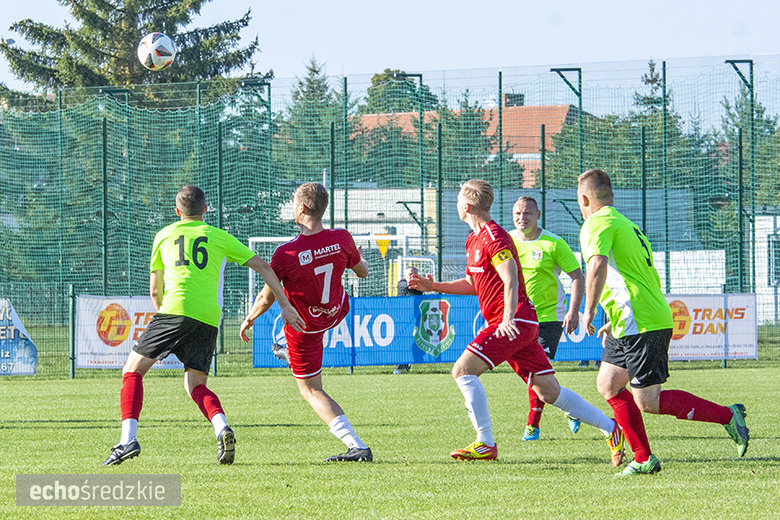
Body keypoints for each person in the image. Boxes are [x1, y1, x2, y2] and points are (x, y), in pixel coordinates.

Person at [409, 179, 625, 466]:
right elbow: (474, 283)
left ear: (467, 205)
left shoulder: (493, 236)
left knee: (462, 370)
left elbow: (510, 276)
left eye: (459, 198)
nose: (457, 203)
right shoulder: (474, 239)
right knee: (549, 391)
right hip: (517, 322)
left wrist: (508, 317)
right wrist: (433, 285)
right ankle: (612, 429)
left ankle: (485, 442)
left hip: (514, 320)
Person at [102, 185, 304, 466]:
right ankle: (222, 428)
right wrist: (284, 304)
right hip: (209, 318)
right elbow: (265, 268)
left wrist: (165, 318)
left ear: (177, 212)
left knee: (131, 371)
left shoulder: (164, 235)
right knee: (195, 384)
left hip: (173, 310)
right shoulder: (219, 237)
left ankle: (127, 441)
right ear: (206, 210)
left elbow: (153, 290)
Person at [577, 168, 750, 476]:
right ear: (612, 195)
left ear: (584, 199)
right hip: (631, 319)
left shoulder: (595, 223)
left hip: (640, 321)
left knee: (648, 401)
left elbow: (598, 266)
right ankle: (643, 458)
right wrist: (611, 315)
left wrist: (588, 310)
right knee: (608, 384)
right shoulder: (626, 223)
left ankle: (729, 416)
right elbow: (634, 277)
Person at [240, 182, 373, 462]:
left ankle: (356, 445)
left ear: (301, 208)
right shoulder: (343, 238)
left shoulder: (285, 254)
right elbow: (362, 273)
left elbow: (266, 299)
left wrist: (249, 318)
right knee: (296, 315)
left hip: (306, 328)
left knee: (311, 389)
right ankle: (289, 352)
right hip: (336, 311)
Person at [509, 196, 584, 441]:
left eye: (528, 213)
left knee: (536, 374)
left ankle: (533, 427)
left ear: (538, 215)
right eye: (518, 213)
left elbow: (577, 276)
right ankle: (569, 406)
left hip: (548, 318)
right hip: (518, 318)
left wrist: (573, 311)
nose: (522, 218)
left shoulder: (553, 243)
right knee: (534, 374)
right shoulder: (507, 242)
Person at [394, 265, 422, 374]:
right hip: (403, 319)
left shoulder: (419, 286)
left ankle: (407, 366)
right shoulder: (402, 283)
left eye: (415, 274)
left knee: (416, 342)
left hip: (416, 318)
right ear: (405, 276)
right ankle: (400, 367)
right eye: (410, 274)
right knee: (404, 342)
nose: (412, 276)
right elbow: (407, 286)